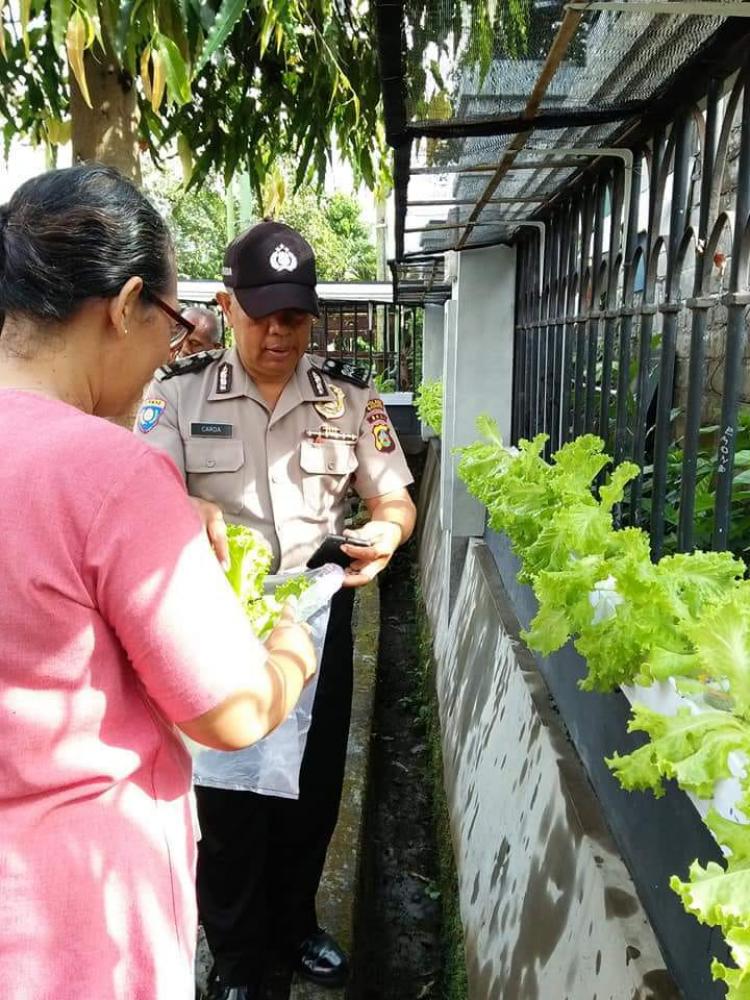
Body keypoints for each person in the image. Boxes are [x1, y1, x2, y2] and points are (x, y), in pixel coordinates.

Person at [0, 166, 317, 1000]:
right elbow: (233, 711)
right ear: (124, 303)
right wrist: (290, 652)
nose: (166, 353)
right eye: (172, 326)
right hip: (77, 923)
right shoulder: (110, 466)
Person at [134, 220, 417, 1000]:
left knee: (312, 790)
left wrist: (389, 530)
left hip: (317, 616)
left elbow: (392, 494)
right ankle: (234, 956)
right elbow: (145, 489)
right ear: (228, 307)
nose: (281, 332)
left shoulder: (350, 399)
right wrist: (184, 506)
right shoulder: (176, 397)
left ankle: (295, 925)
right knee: (224, 800)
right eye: (263, 315)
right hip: (214, 619)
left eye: (295, 315)